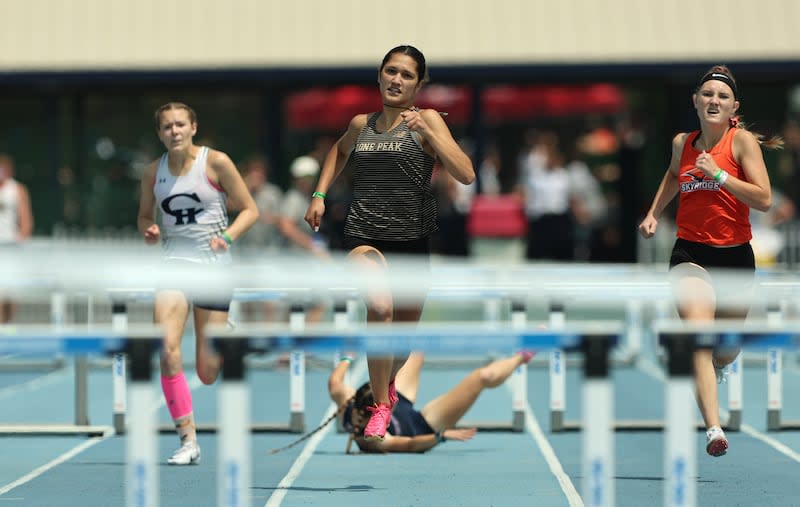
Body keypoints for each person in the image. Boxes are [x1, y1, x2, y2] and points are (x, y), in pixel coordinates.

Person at [304, 45, 475, 440]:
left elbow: (465, 173)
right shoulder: (361, 123)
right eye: (391, 71)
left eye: (406, 75)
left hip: (413, 244)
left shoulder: (429, 119)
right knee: (379, 307)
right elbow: (338, 151)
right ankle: (380, 405)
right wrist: (319, 194)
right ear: (379, 75)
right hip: (364, 238)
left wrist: (431, 132)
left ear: (418, 84)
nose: (396, 80)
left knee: (399, 346)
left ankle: (388, 386)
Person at [638, 65, 782, 457]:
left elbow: (764, 199)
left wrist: (718, 174)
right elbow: (672, 176)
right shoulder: (682, 142)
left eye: (721, 96)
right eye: (707, 94)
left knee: (726, 348)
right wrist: (654, 213)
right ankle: (713, 429)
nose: (713, 100)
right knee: (700, 338)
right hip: (691, 254)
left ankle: (716, 366)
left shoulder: (741, 143)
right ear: (696, 101)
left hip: (735, 256)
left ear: (733, 105)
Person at [136, 102, 258, 465]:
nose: (173, 132)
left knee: (207, 373)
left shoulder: (215, 162)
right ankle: (188, 440)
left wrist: (228, 238)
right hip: (173, 267)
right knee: (167, 349)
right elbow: (144, 216)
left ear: (192, 127)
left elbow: (250, 209)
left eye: (179, 125)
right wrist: (150, 229)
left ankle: (223, 335)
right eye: (166, 127)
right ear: (159, 133)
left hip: (214, 268)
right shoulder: (151, 172)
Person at [268, 350, 534, 455]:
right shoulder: (373, 439)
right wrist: (441, 436)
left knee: (412, 349)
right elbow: (409, 444)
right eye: (388, 403)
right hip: (422, 425)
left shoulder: (349, 400)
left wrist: (347, 358)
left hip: (404, 404)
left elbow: (334, 384)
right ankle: (522, 356)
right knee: (483, 376)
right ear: (370, 413)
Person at [0, 154, 34, 323]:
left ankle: (7, 327)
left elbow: (26, 221)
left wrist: (19, 243)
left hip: (11, 248)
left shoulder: (17, 190)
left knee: (10, 294)